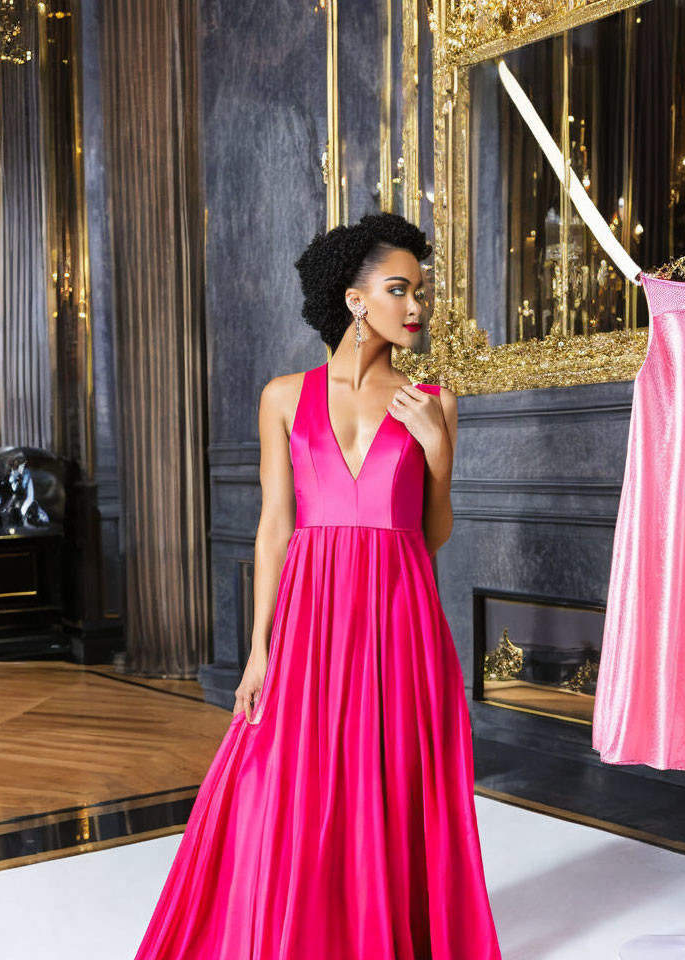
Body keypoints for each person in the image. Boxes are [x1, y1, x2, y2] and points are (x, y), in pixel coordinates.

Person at [133, 212, 502, 959]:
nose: (418, 307)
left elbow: (432, 535)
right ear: (356, 298)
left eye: (421, 291)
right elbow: (274, 526)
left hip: (401, 612)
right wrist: (259, 647)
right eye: (401, 289)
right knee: (288, 776)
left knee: (391, 777)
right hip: (311, 611)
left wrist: (435, 448)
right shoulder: (282, 396)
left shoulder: (434, 400)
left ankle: (382, 929)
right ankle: (300, 924)